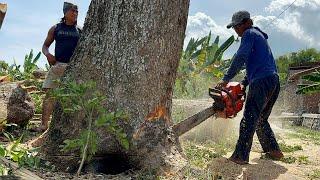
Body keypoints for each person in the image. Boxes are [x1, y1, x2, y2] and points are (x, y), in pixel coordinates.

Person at [216, 10, 284, 165]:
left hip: (261, 82)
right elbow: (258, 66)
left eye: (236, 26)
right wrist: (243, 83)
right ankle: (273, 150)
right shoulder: (259, 37)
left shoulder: (249, 34)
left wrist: (226, 79)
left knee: (249, 119)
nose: (236, 30)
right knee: (261, 119)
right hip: (273, 80)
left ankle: (240, 156)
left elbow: (240, 56)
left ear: (246, 23)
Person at [31, 2, 81, 132]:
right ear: (65, 13)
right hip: (58, 66)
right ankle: (44, 125)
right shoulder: (56, 28)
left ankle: (69, 127)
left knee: (72, 97)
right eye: (72, 11)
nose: (75, 14)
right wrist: (48, 55)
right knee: (50, 96)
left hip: (74, 68)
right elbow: (45, 46)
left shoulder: (79, 30)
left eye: (76, 12)